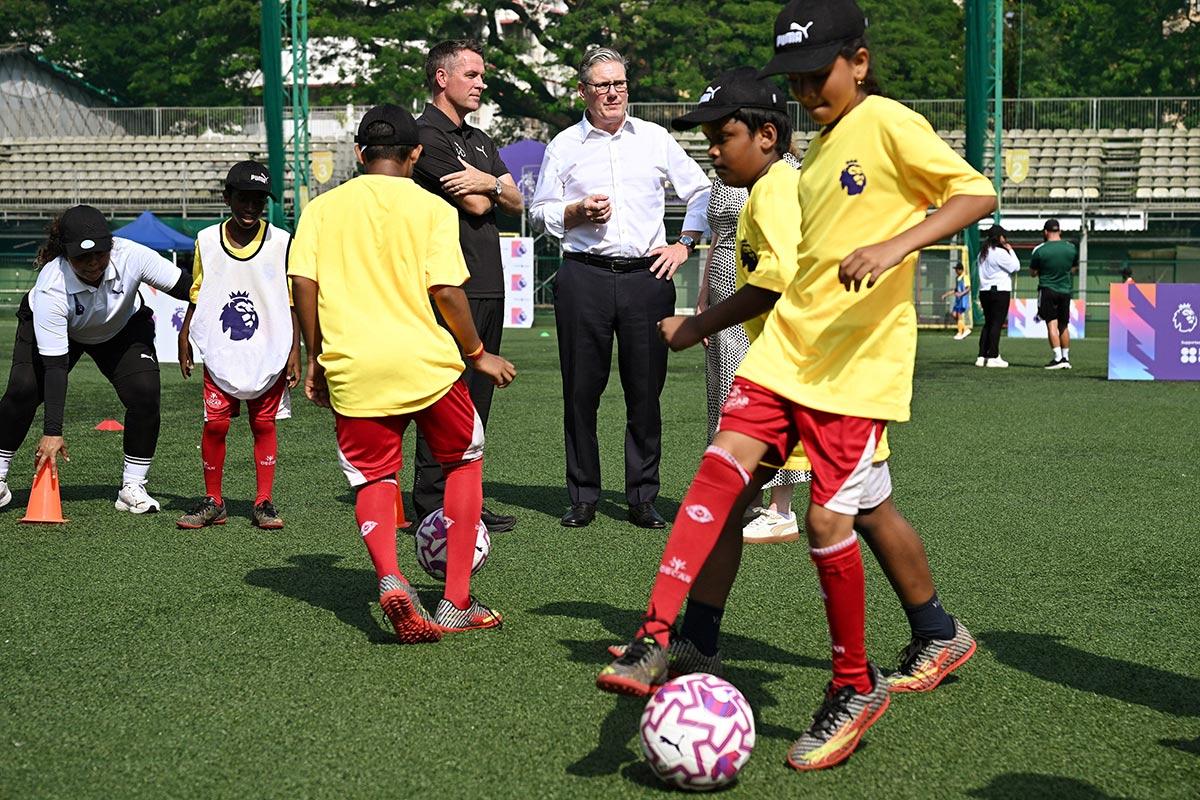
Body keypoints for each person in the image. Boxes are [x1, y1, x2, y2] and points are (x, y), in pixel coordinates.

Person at [597, 0, 996, 772]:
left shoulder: (885, 122)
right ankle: (661, 631)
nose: (809, 90)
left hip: (853, 366)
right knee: (720, 472)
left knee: (829, 523)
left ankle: (854, 686)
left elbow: (976, 193)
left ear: (859, 61)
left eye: (819, 75)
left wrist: (895, 244)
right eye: (797, 79)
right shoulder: (818, 153)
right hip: (788, 353)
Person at [289, 105, 516, 642]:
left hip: (355, 366)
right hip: (428, 367)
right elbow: (446, 290)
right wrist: (478, 351)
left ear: (359, 154)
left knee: (374, 477)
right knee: (463, 462)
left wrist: (318, 355)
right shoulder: (432, 207)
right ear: (415, 155)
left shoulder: (322, 209)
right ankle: (456, 601)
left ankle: (391, 578)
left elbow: (303, 283)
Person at [529, 47, 711, 530]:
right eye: (603, 85)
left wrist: (685, 244)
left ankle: (642, 496)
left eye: (620, 84)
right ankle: (583, 495)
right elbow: (539, 210)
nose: (613, 92)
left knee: (646, 393)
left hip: (647, 278)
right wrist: (574, 212)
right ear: (583, 92)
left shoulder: (654, 139)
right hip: (583, 275)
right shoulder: (564, 145)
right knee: (580, 392)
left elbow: (701, 192)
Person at [0, 205, 192, 513]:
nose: (92, 264)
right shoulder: (52, 285)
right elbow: (55, 366)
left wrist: (187, 330)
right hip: (64, 331)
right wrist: (52, 431)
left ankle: (133, 486)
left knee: (145, 392)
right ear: (65, 253)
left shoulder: (133, 256)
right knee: (23, 390)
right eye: (81, 257)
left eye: (100, 254)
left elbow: (190, 288)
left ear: (111, 245)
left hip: (120, 328)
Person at [411, 39, 524, 534]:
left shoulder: (479, 138)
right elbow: (481, 206)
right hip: (448, 284)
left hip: (490, 284)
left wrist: (490, 183)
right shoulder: (424, 136)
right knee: (444, 396)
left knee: (478, 402)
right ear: (442, 78)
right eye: (473, 75)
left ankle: (467, 502)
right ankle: (432, 509)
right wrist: (492, 187)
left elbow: (516, 201)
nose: (482, 84)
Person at [695, 75, 810, 545]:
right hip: (726, 283)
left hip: (757, 294)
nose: (715, 151)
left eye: (724, 136)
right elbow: (717, 238)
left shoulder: (781, 182)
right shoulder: (726, 180)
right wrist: (703, 299)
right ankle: (744, 493)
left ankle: (780, 506)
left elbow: (782, 267)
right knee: (727, 394)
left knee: (761, 396)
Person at [176, 161, 300, 530]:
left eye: (259, 201)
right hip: (222, 349)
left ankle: (264, 502)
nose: (250, 208)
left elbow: (290, 298)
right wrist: (185, 335)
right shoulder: (206, 241)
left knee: (264, 425)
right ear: (227, 197)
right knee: (215, 426)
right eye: (243, 199)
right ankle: (214, 500)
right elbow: (198, 291)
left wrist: (295, 350)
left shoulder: (281, 241)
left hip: (269, 349)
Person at [1030, 218, 1078, 370]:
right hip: (1065, 290)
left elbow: (1032, 273)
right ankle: (1066, 357)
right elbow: (1074, 269)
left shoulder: (1039, 250)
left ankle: (1057, 358)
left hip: (1047, 289)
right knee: (1064, 325)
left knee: (1052, 324)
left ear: (1045, 232)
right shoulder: (1071, 248)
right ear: (1060, 231)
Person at [975, 224, 1020, 368]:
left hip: (985, 291)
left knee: (988, 323)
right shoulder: (999, 253)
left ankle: (982, 355)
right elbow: (1015, 267)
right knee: (996, 324)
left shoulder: (982, 253)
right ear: (999, 237)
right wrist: (1010, 250)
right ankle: (993, 355)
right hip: (999, 291)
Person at [942, 264, 971, 340]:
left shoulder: (965, 277)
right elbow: (956, 290)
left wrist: (961, 294)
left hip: (963, 300)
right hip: (958, 300)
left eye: (957, 269)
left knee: (959, 315)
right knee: (954, 314)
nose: (956, 271)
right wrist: (946, 295)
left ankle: (961, 332)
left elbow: (968, 288)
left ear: (961, 270)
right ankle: (964, 329)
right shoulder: (957, 278)